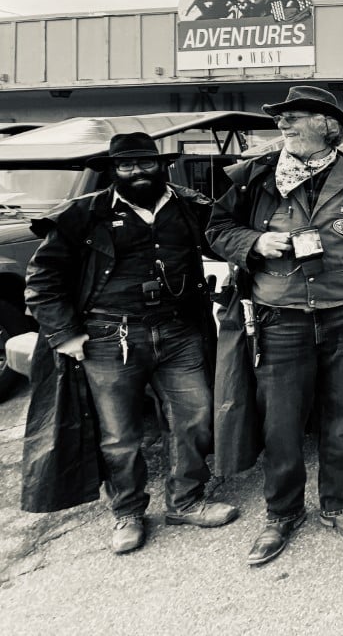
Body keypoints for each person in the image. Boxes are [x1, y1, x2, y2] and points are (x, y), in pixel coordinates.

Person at [208, 86, 343, 566]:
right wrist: (255, 243)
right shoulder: (255, 176)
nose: (283, 125)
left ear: (326, 124)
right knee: (281, 421)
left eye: (294, 117)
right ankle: (282, 513)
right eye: (281, 119)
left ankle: (338, 504)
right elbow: (215, 230)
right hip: (281, 321)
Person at [22, 133, 237, 552]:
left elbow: (228, 240)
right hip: (109, 337)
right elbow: (42, 279)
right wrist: (64, 333)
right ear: (113, 170)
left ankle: (186, 500)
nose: (138, 172)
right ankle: (127, 512)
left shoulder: (190, 207)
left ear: (162, 165)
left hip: (178, 332)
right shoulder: (82, 215)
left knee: (194, 418)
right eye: (127, 166)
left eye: (146, 164)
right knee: (119, 435)